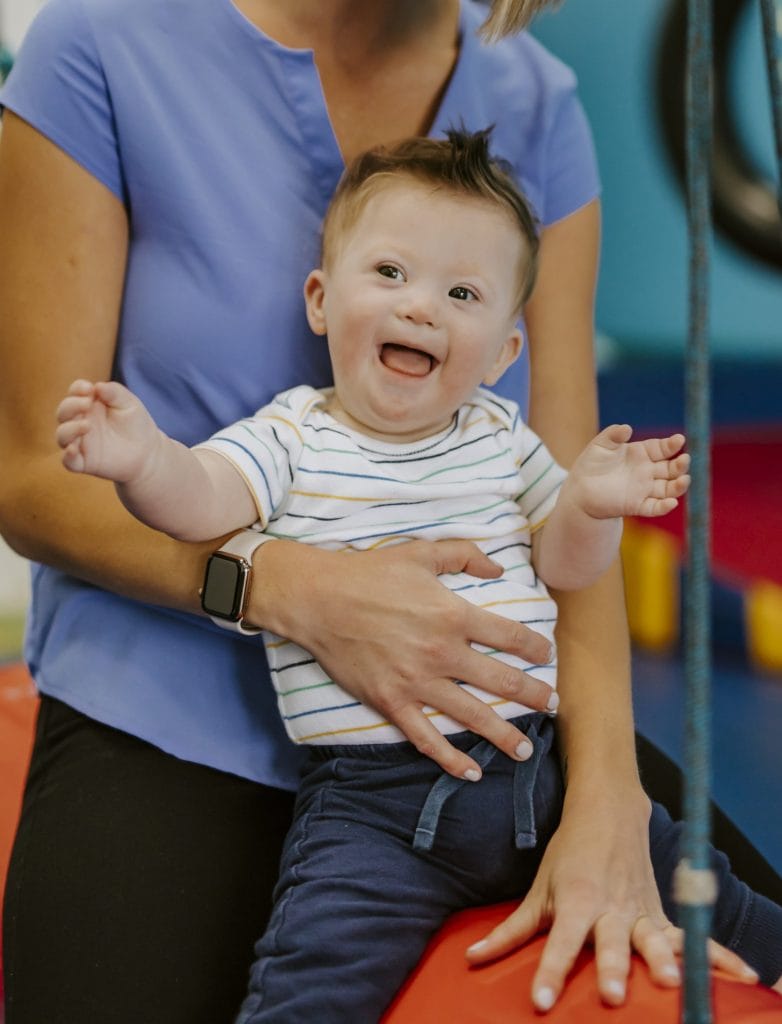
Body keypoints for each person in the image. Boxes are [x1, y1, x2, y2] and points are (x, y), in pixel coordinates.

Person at [0, 0, 753, 1020]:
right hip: (167, 708)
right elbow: (33, 479)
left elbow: (576, 522)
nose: (413, 309)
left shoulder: (536, 104)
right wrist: (292, 589)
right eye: (387, 278)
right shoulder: (101, 45)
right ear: (321, 296)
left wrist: (607, 803)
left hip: (502, 732)